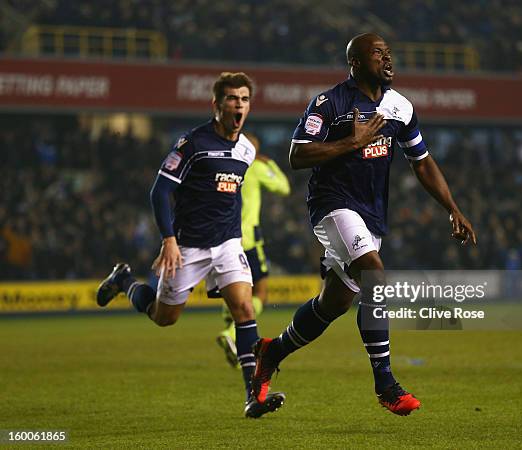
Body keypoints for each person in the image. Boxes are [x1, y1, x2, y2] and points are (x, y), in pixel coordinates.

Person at [250, 34, 476, 416]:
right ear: (355, 62)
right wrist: (349, 143)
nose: (388, 58)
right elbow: (297, 154)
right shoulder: (330, 103)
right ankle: (386, 384)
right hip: (332, 206)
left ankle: (272, 351)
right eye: (378, 53)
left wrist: (452, 207)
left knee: (334, 302)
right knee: (375, 275)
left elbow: (421, 161)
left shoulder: (399, 107)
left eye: (389, 53)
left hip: (371, 216)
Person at [95, 72, 285, 419]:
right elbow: (160, 191)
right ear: (216, 104)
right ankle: (124, 280)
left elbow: (230, 195)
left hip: (228, 243)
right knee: (164, 317)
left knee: (245, 309)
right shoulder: (192, 144)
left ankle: (253, 396)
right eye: (231, 98)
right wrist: (169, 240)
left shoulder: (246, 150)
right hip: (188, 247)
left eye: (243, 99)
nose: (238, 105)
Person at [216, 132, 291, 368]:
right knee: (260, 292)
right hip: (248, 239)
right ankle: (231, 332)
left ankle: (232, 330)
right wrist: (271, 164)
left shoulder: (224, 165)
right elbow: (284, 188)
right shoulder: (256, 167)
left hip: (222, 238)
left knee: (234, 287)